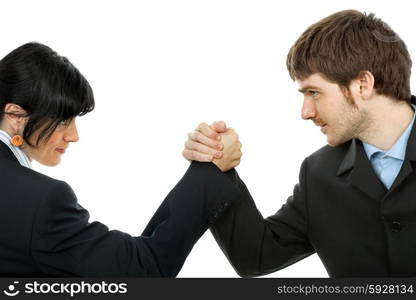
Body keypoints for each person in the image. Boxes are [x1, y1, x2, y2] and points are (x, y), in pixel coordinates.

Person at [183, 10, 416, 277]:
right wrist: (217, 168)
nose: (305, 112)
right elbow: (256, 256)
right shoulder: (320, 172)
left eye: (313, 92)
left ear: (363, 84)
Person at [0, 42, 243, 277]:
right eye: (64, 120)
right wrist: (209, 171)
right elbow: (142, 272)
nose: (74, 136)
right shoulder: (40, 202)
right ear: (15, 115)